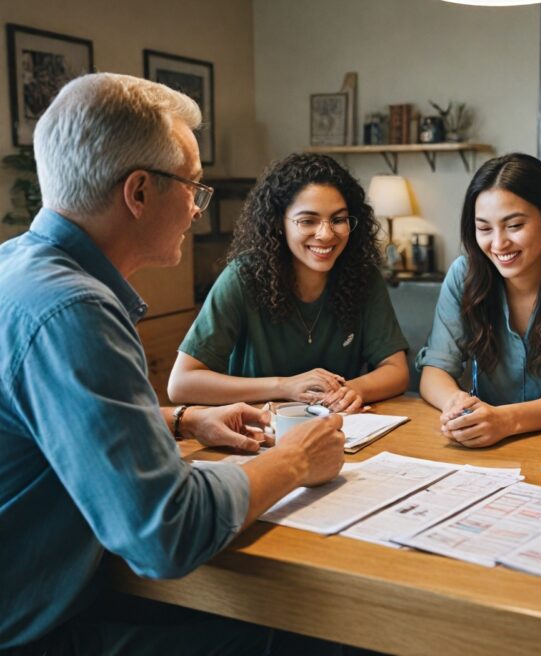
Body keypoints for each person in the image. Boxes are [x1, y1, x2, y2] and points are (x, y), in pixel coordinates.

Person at [0, 73, 345, 652]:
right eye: (193, 185)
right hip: (39, 633)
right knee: (304, 629)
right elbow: (166, 533)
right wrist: (292, 461)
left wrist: (182, 420)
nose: (195, 207)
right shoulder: (76, 309)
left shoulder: (18, 267)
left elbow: (49, 423)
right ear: (138, 192)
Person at [168, 153, 409, 412]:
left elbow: (396, 370)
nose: (326, 234)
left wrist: (354, 390)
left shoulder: (362, 276)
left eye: (338, 220)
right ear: (278, 223)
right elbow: (181, 384)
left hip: (339, 431)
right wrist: (283, 386)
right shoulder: (243, 277)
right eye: (308, 221)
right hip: (258, 435)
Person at [418, 153, 541, 448]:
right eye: (484, 229)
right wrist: (456, 404)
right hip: (487, 443)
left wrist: (507, 420)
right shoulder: (464, 273)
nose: (498, 244)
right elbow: (435, 369)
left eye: (514, 225)